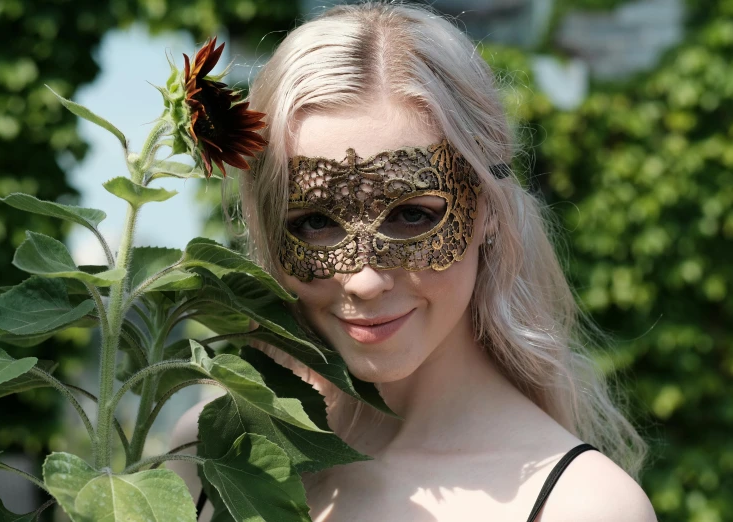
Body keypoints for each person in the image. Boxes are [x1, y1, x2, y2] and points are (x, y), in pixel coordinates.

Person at [170, 2, 658, 521]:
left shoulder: (585, 507)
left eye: (410, 214)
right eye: (314, 222)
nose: (362, 280)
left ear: (487, 206)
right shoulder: (211, 453)